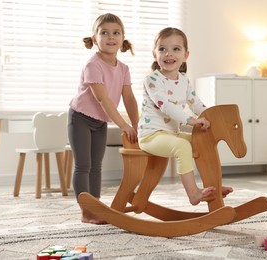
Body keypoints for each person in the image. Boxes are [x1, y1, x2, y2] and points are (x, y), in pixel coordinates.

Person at [138, 27, 233, 206]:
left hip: (171, 134)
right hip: (151, 135)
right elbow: (164, 105)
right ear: (154, 54)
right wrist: (191, 121)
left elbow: (196, 103)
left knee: (204, 141)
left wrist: (212, 118)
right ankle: (193, 193)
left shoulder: (184, 80)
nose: (168, 54)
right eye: (162, 49)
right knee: (182, 146)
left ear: (185, 55)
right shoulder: (152, 80)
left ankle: (213, 185)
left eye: (176, 49)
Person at [68, 13, 139, 224]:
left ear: (123, 38)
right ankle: (86, 211)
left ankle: (95, 206)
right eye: (104, 32)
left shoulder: (124, 68)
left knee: (97, 165)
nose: (110, 37)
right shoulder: (93, 65)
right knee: (83, 165)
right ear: (95, 38)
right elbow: (103, 99)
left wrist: (136, 124)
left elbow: (129, 98)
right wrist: (123, 124)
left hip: (99, 121)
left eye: (116, 32)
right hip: (80, 118)